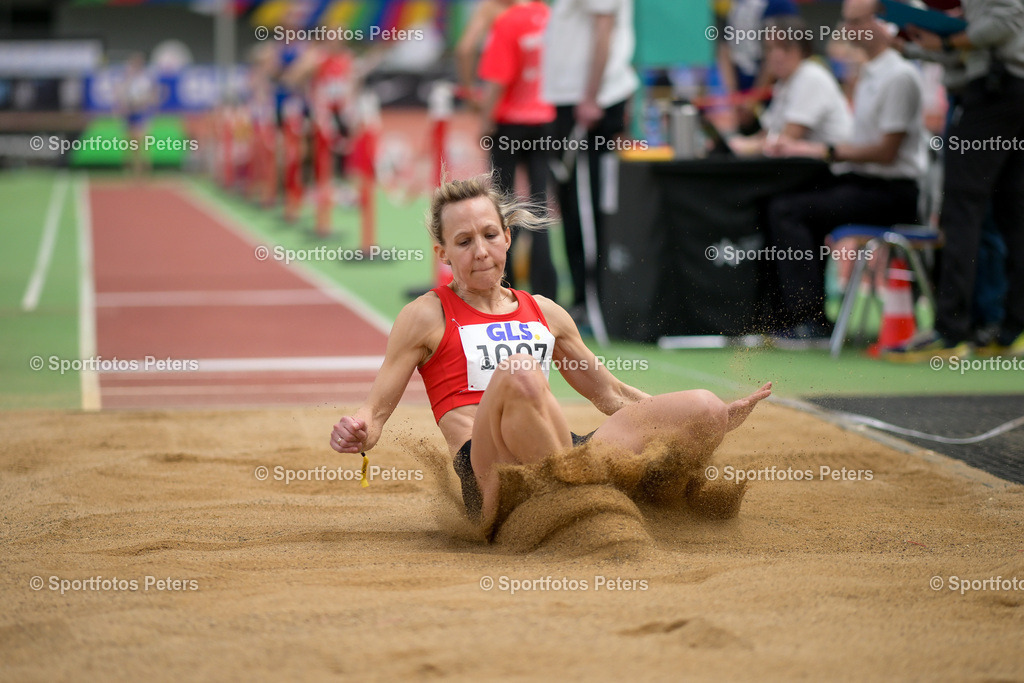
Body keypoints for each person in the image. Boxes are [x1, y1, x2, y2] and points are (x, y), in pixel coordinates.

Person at [329, 176, 772, 534]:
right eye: (464, 242)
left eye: (489, 235)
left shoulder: (545, 312)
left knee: (704, 407)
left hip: (563, 452)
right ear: (443, 253)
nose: (480, 251)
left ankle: (646, 504)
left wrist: (699, 426)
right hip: (493, 472)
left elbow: (611, 396)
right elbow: (375, 414)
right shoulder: (426, 315)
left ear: (507, 237)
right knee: (521, 371)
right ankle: (584, 508)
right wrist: (359, 431)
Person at [764, 0, 927, 345]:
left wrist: (823, 150)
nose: (847, 29)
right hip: (864, 182)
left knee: (790, 210)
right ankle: (796, 314)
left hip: (891, 193)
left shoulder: (899, 75)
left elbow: (886, 151)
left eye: (855, 21)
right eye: (846, 21)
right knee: (788, 204)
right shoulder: (868, 73)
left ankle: (809, 320)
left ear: (882, 22)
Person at [889, 0, 1024, 360]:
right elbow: (978, 48)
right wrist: (914, 48)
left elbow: (1004, 24)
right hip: (1005, 91)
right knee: (1012, 214)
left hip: (995, 95)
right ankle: (1011, 331)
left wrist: (945, 42)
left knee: (961, 211)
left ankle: (951, 333)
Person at [541, 0, 639, 322]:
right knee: (571, 203)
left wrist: (590, 96)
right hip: (571, 101)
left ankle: (597, 303)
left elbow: (604, 28)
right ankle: (583, 299)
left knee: (587, 206)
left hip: (589, 103)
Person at [478, 0, 559, 299]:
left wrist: (484, 120)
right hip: (545, 120)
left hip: (509, 123)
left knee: (502, 208)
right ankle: (547, 292)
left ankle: (504, 288)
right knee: (540, 206)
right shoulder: (549, 17)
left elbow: (499, 78)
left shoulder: (507, 21)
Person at [730, 16, 852, 156]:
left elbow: (786, 139)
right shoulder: (784, 83)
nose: (776, 55)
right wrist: (735, 141)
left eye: (784, 47)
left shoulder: (810, 76)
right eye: (769, 49)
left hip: (834, 172)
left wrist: (745, 145)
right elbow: (770, 134)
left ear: (803, 48)